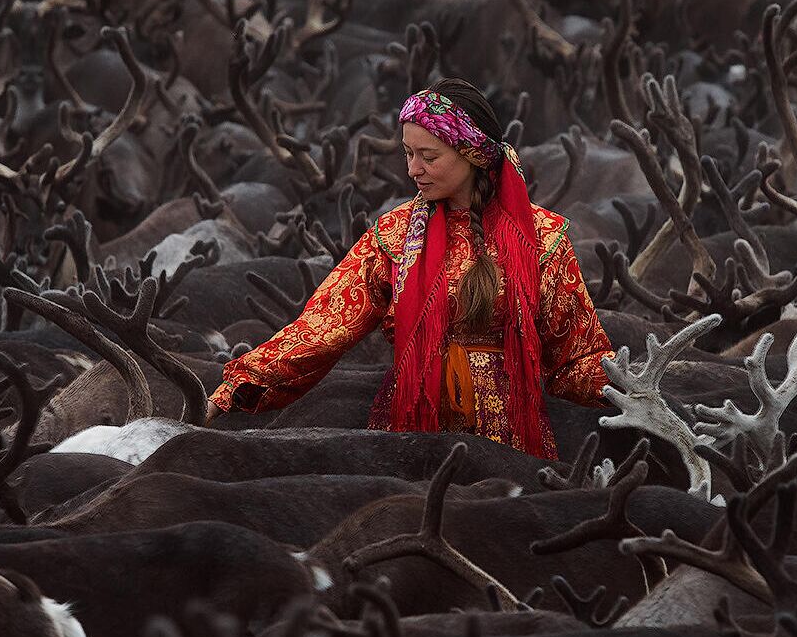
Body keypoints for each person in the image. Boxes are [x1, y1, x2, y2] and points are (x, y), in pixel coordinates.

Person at [204, 78, 615, 460]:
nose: (412, 170)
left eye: (428, 156)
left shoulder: (541, 238)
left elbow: (576, 358)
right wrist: (240, 385)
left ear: (471, 153)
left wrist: (630, 391)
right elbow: (323, 327)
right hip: (412, 440)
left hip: (510, 449)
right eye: (408, 153)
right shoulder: (394, 235)